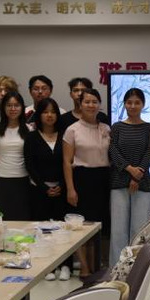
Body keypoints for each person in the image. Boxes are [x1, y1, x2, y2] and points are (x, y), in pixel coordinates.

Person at [64, 88, 111, 277]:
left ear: (99, 105)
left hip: (103, 179)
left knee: (99, 226)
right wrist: (70, 189)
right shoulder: (72, 129)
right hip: (82, 180)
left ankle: (95, 266)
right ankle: (84, 267)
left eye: (94, 102)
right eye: (87, 102)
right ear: (80, 104)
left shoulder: (106, 128)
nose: (91, 105)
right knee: (82, 227)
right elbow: (66, 162)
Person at [109, 88, 150, 266]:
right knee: (118, 230)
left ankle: (137, 268)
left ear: (143, 104)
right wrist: (129, 169)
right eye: (129, 102)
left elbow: (149, 152)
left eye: (137, 102)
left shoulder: (149, 128)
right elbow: (113, 151)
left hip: (142, 183)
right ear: (124, 104)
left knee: (140, 230)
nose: (133, 106)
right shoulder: (117, 127)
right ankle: (117, 268)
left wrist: (137, 177)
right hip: (119, 181)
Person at [24, 97, 69, 281]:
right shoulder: (31, 137)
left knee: (62, 229)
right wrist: (44, 188)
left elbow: (69, 162)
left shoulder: (65, 135)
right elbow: (30, 165)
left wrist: (61, 186)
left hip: (61, 189)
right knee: (42, 230)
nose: (49, 115)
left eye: (53, 112)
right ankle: (47, 266)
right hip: (39, 190)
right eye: (45, 112)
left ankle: (65, 265)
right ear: (39, 115)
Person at [0, 92, 31, 221]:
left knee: (22, 218)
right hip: (1, 179)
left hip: (22, 179)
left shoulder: (29, 129)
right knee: (1, 219)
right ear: (3, 108)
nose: (13, 109)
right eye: (9, 105)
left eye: (16, 105)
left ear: (22, 107)